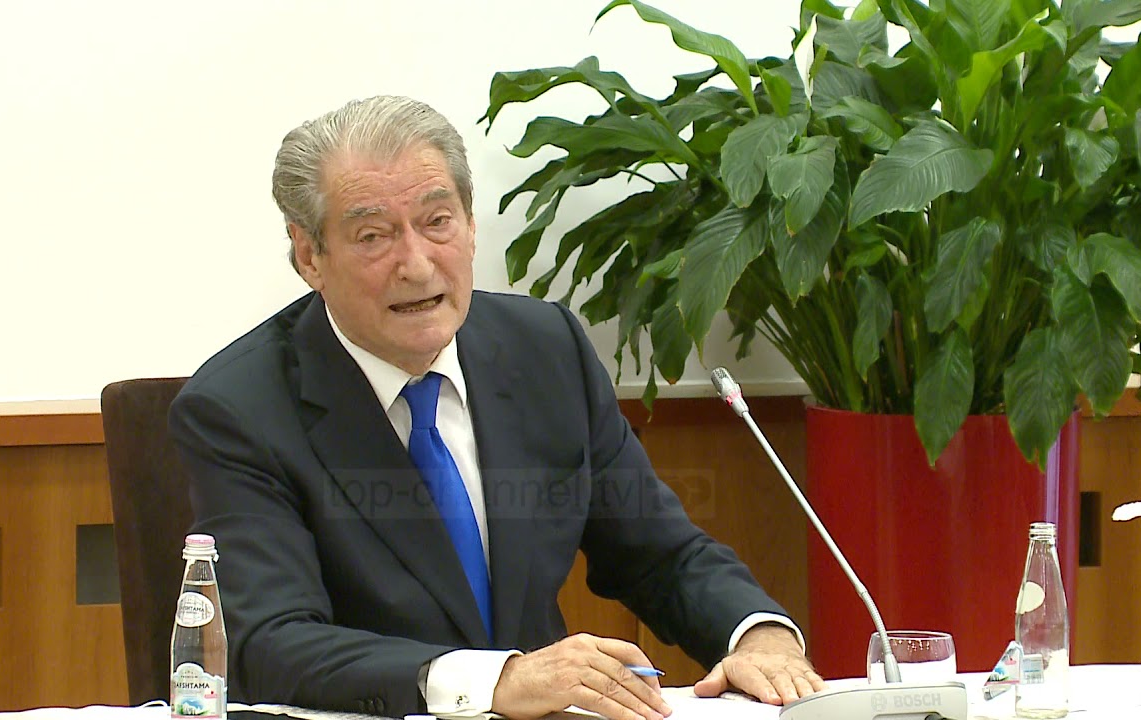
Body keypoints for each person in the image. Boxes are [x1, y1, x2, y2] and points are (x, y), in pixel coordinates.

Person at [168, 95, 824, 720]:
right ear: (310, 255)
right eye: (373, 236)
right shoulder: (238, 408)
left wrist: (757, 634)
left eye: (437, 222)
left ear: (471, 225)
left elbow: (660, 554)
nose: (417, 264)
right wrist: (496, 680)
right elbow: (271, 643)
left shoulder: (546, 349)